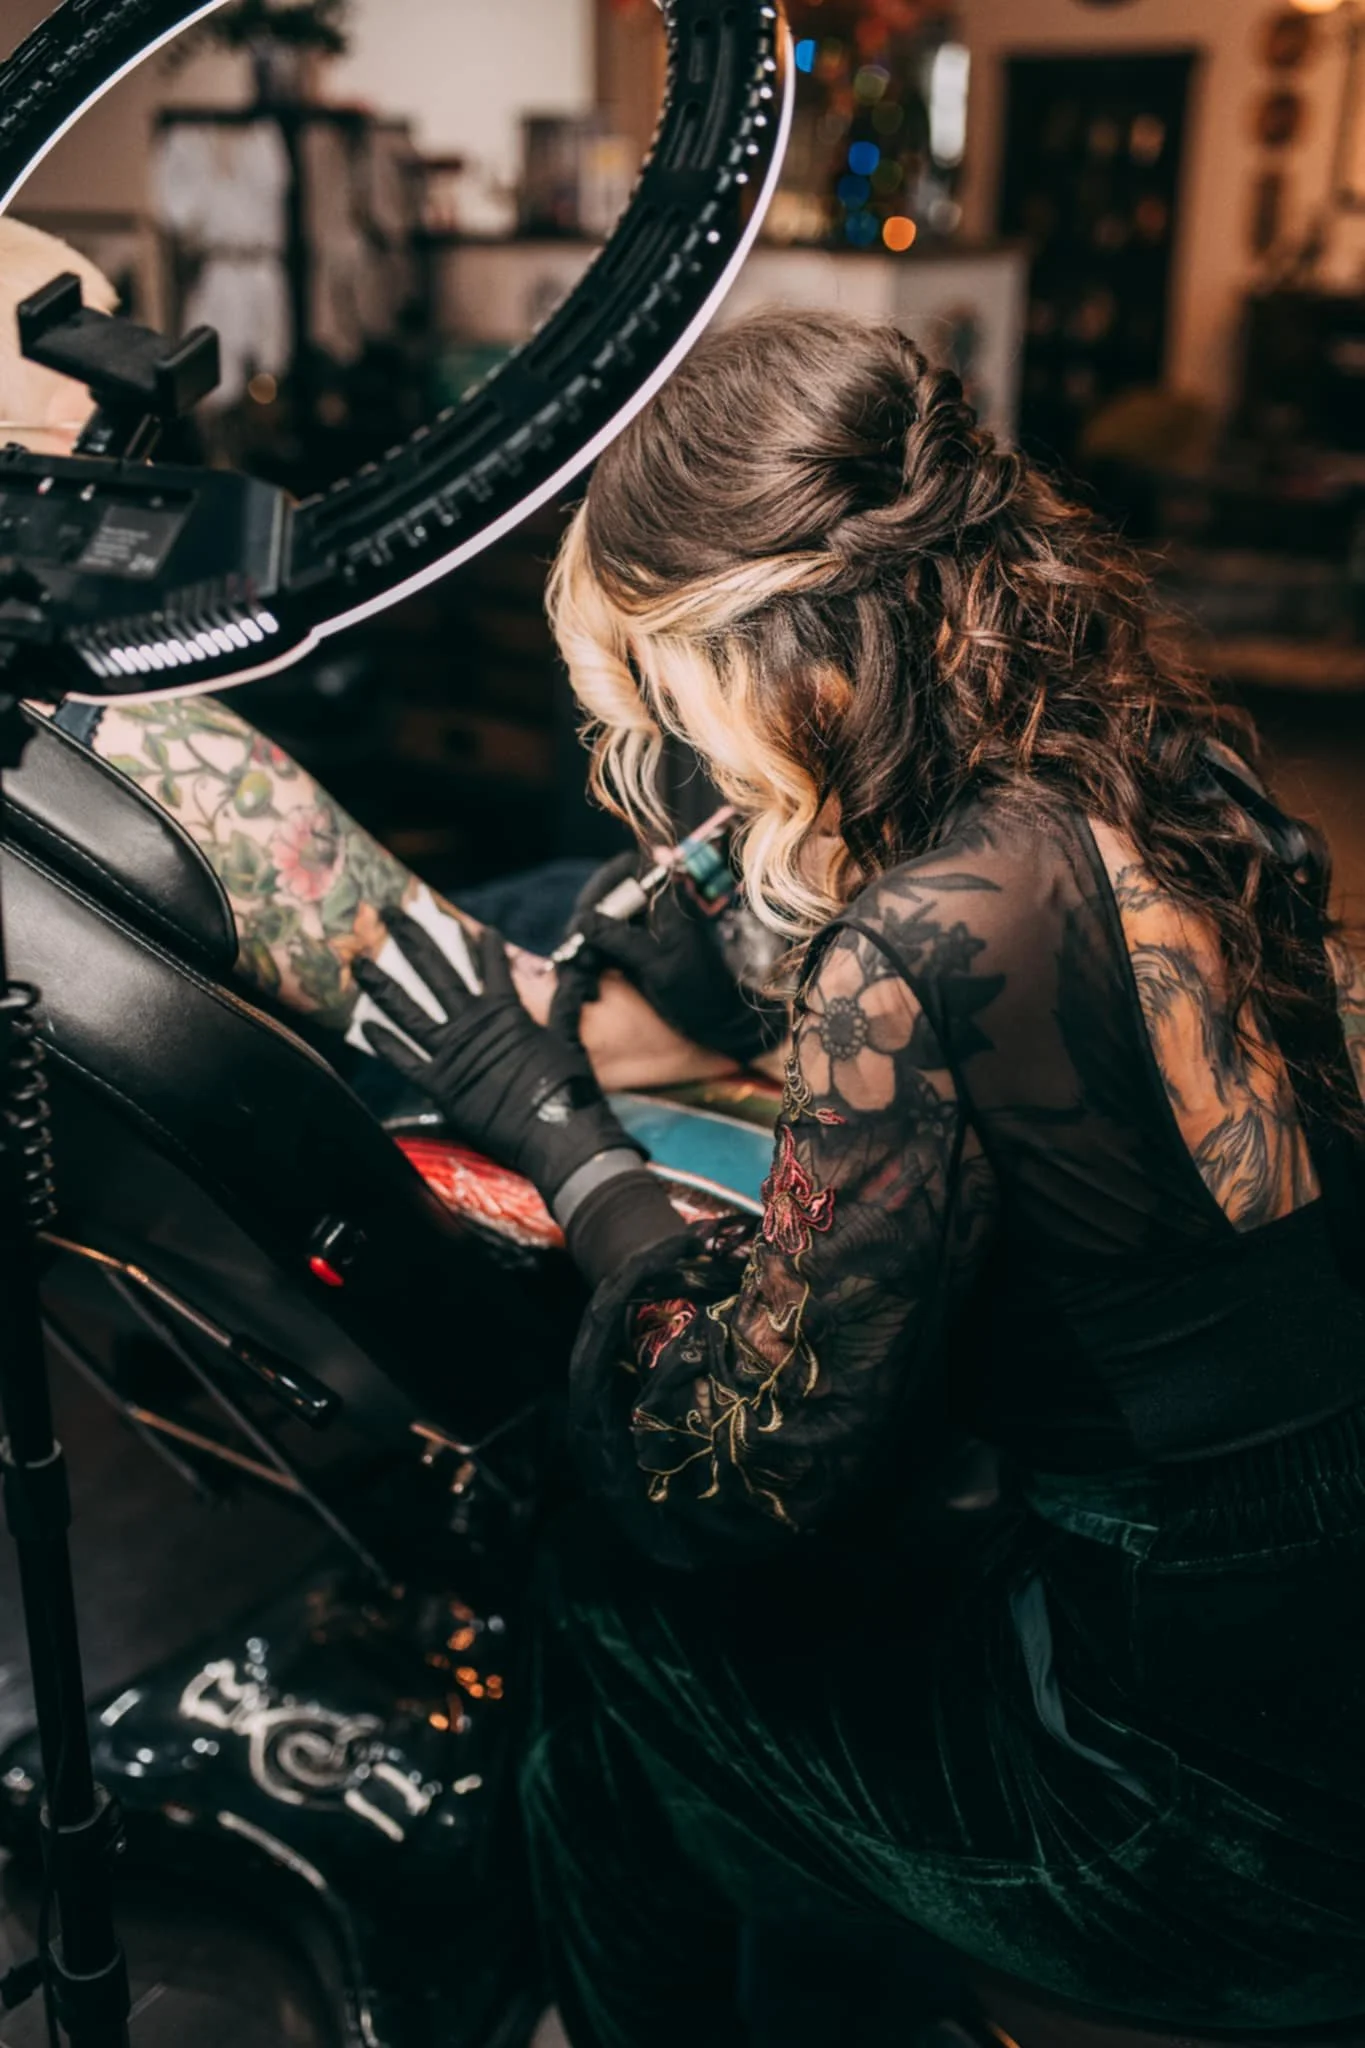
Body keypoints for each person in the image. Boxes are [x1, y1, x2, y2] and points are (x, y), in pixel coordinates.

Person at [348, 308, 1365, 2045]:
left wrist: (550, 1118)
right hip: (1311, 1615)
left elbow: (734, 1467)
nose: (680, 748)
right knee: (806, 1668)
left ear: (766, 649)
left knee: (610, 1596)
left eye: (665, 687)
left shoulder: (925, 938)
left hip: (1212, 1801)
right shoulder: (1142, 771)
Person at [0, 214, 759, 1095]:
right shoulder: (146, 748)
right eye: (93, 439)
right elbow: (515, 1032)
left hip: (439, 951)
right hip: (370, 1073)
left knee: (574, 887)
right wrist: (798, 1039)